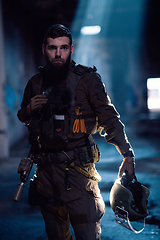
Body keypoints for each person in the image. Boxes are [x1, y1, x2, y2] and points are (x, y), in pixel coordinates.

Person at [17, 24, 135, 240]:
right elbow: (23, 117)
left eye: (63, 48)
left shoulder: (87, 80)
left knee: (87, 234)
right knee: (56, 235)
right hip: (46, 175)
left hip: (78, 173)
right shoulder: (35, 83)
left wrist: (127, 155)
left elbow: (110, 119)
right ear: (44, 50)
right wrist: (29, 109)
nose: (58, 54)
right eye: (53, 48)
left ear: (72, 49)